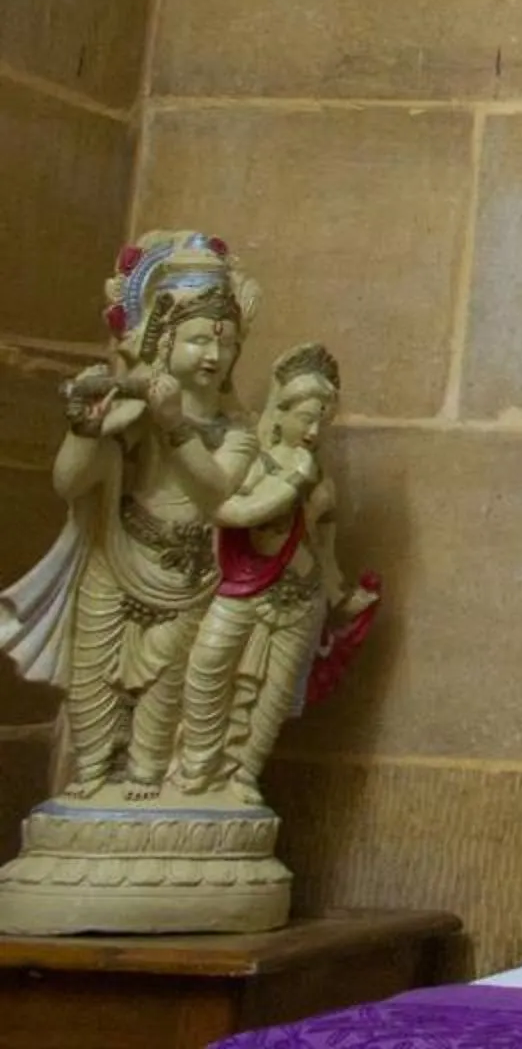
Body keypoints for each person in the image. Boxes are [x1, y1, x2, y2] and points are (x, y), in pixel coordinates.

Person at [0, 235, 258, 798]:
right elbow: (71, 483)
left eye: (226, 344)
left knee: (164, 692)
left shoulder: (236, 432)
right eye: (197, 341)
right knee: (93, 685)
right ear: (164, 343)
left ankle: (146, 777)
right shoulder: (132, 411)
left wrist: (175, 425)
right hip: (115, 560)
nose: (214, 356)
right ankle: (94, 773)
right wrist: (87, 427)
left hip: (188, 574)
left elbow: (217, 492)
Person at [175, 346, 372, 802]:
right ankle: (197, 766)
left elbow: (324, 549)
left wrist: (341, 598)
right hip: (243, 586)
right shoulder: (251, 461)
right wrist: (289, 487)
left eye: (324, 420)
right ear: (280, 413)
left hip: (299, 596)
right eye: (306, 417)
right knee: (207, 668)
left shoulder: (321, 480)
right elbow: (227, 512)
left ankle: (243, 776)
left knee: (276, 691)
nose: (314, 430)